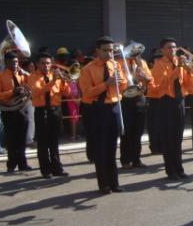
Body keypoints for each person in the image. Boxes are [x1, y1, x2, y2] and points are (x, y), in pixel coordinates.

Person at [79, 36, 128, 194]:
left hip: (113, 107)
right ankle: (104, 184)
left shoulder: (115, 65)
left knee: (112, 147)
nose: (109, 53)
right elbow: (86, 93)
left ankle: (114, 182)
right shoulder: (88, 69)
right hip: (97, 109)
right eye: (106, 50)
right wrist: (105, 84)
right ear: (97, 51)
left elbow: (124, 85)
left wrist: (121, 82)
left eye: (111, 50)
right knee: (101, 149)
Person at [28, 53, 71, 179]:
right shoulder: (33, 77)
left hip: (55, 110)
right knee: (43, 142)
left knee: (54, 141)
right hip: (41, 110)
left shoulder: (55, 75)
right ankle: (45, 170)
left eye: (48, 63)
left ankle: (57, 168)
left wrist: (64, 81)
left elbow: (67, 93)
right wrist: (53, 81)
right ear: (37, 64)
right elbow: (38, 92)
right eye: (43, 63)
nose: (46, 66)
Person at [151, 38, 188, 180]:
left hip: (179, 101)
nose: (172, 50)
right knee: (168, 138)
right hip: (166, 102)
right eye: (169, 48)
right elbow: (162, 83)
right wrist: (179, 69)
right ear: (162, 50)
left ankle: (179, 169)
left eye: (174, 47)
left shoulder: (179, 62)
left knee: (178, 138)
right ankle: (171, 170)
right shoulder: (159, 65)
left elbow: (185, 82)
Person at [0, 52, 31, 172]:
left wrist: (26, 74)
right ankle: (11, 165)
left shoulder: (22, 74)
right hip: (8, 110)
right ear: (6, 62)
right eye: (12, 62)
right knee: (11, 138)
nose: (15, 64)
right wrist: (12, 92)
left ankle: (23, 164)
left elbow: (32, 84)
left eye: (16, 62)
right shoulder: (0, 76)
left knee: (22, 138)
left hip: (22, 109)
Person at [119, 47, 153, 169]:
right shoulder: (120, 63)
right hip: (126, 99)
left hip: (140, 97)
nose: (136, 55)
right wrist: (135, 78)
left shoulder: (142, 63)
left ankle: (136, 159)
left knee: (138, 132)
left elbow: (150, 78)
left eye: (137, 53)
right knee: (127, 132)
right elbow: (121, 82)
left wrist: (145, 79)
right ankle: (125, 160)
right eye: (133, 53)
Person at [146, 51, 164, 154]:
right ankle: (154, 146)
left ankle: (161, 145)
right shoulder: (150, 71)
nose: (159, 62)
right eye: (157, 60)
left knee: (162, 124)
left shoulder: (165, 71)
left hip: (163, 99)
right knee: (154, 125)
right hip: (154, 99)